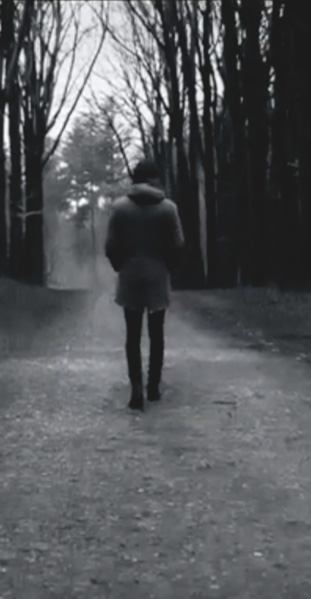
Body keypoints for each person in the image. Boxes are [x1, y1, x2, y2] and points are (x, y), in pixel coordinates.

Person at [104, 159, 185, 411]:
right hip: (158, 274)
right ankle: (153, 387)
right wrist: (167, 267)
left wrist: (120, 266)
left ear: (135, 179)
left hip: (130, 274)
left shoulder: (119, 208)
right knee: (156, 334)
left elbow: (111, 245)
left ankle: (136, 389)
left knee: (132, 335)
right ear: (155, 179)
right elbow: (178, 244)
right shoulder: (168, 209)